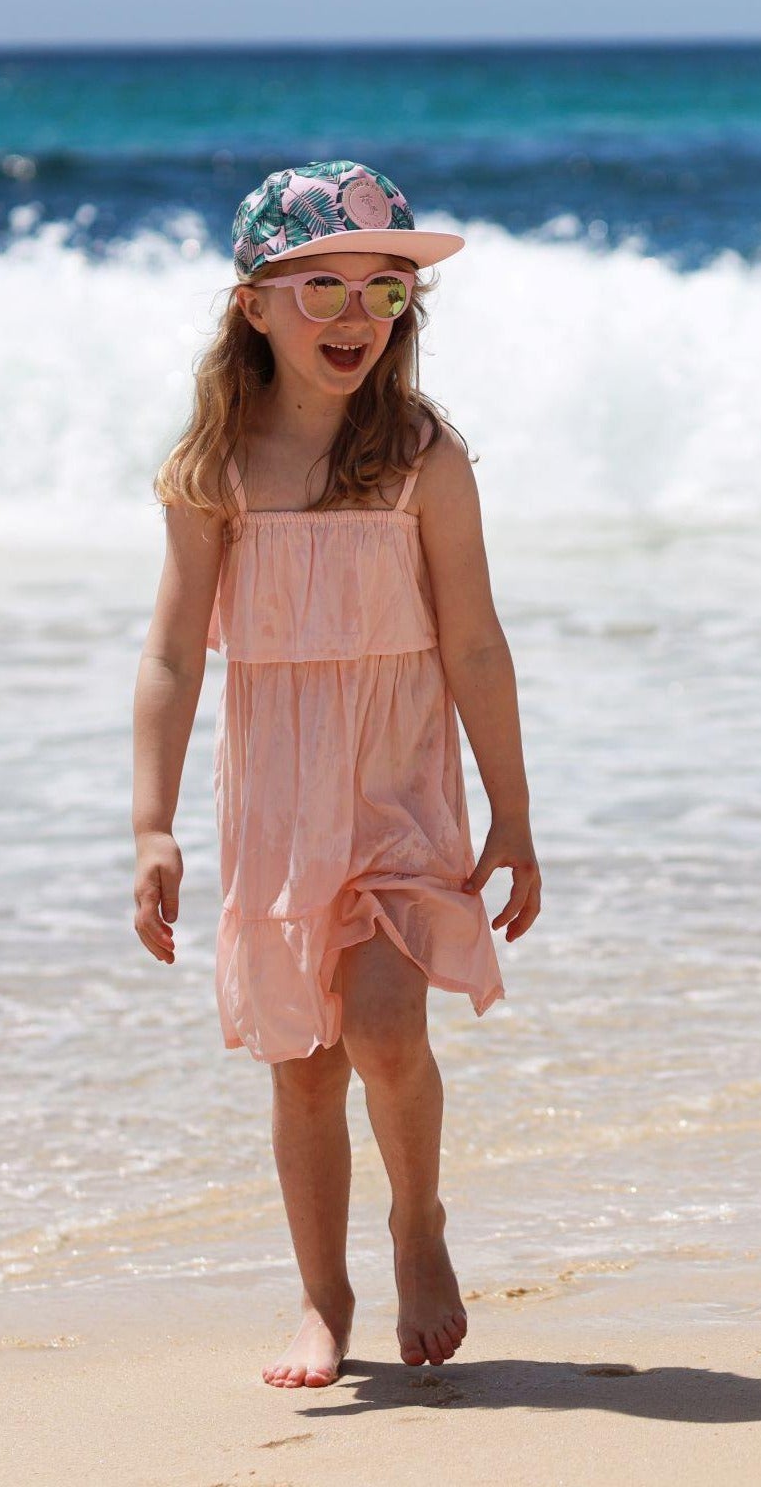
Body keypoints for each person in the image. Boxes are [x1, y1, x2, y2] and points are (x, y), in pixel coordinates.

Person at [131, 161, 541, 1389]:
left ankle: (419, 1223)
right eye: (320, 288)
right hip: (277, 803)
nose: (356, 314)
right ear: (253, 306)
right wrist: (150, 825)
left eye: (383, 288)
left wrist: (513, 810)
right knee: (302, 1065)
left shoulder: (422, 456)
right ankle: (323, 1298)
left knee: (381, 1023)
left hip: (400, 787)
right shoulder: (212, 473)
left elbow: (474, 639)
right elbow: (166, 656)